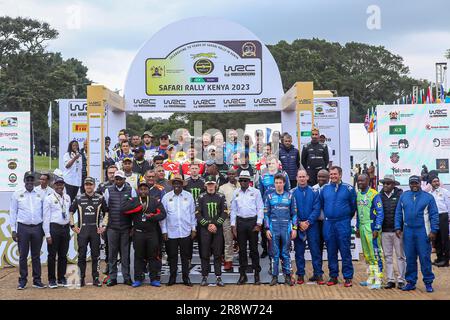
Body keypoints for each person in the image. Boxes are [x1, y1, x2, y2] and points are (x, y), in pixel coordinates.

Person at [395, 175, 439, 292]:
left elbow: (434, 215)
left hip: (423, 232)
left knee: (425, 258)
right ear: (409, 184)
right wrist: (397, 227)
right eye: (412, 183)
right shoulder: (404, 196)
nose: (414, 185)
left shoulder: (428, 197)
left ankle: (428, 283)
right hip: (408, 231)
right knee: (410, 258)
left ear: (420, 183)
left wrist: (434, 230)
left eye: (416, 183)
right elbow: (399, 212)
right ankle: (410, 282)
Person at [319, 166, 356, 287]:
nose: (333, 176)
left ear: (340, 175)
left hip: (343, 223)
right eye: (331, 174)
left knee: (345, 250)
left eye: (335, 174)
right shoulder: (324, 189)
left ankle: (348, 277)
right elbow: (322, 205)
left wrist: (344, 218)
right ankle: (333, 276)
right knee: (331, 251)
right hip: (329, 223)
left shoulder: (349, 189)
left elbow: (353, 207)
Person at [10, 171, 46, 289]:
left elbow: (44, 213)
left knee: (36, 255)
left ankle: (37, 280)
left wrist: (45, 229)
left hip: (37, 228)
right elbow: (13, 212)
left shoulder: (40, 194)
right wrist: (13, 230)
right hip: (23, 228)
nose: (30, 182)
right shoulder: (17, 194)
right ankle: (22, 281)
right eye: (28, 180)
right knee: (23, 255)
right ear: (24, 181)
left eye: (31, 180)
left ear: (34, 181)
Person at [70, 177, 108, 287]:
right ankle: (81, 278)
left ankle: (96, 278)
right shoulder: (78, 198)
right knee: (81, 255)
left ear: (94, 185)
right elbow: (71, 212)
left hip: (95, 231)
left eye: (90, 184)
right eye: (86, 184)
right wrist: (73, 226)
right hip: (83, 231)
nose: (88, 186)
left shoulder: (100, 198)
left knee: (95, 256)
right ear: (84, 186)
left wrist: (103, 226)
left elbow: (107, 213)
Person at [128, 181, 166, 287]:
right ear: (138, 191)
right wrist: (138, 208)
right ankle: (138, 279)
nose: (143, 191)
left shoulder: (154, 201)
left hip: (152, 233)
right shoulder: (134, 201)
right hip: (138, 233)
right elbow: (124, 210)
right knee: (138, 257)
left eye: (145, 189)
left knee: (153, 256)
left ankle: (154, 279)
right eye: (141, 189)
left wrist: (152, 217)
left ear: (148, 190)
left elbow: (163, 214)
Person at [161, 174, 196, 286]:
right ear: (172, 185)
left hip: (185, 231)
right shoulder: (166, 197)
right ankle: (172, 278)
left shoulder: (189, 196)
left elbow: (192, 214)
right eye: (175, 183)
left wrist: (193, 228)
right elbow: (163, 216)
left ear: (182, 185)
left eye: (179, 183)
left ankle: (186, 278)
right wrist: (164, 231)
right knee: (172, 257)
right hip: (171, 232)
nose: (177, 185)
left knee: (185, 257)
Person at [103, 170, 137, 286]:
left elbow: (135, 209)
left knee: (125, 254)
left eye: (120, 179)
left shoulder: (131, 190)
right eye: (116, 179)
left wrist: (133, 226)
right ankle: (112, 278)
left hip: (126, 227)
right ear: (114, 179)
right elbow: (106, 209)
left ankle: (126, 277)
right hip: (112, 227)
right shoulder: (108, 190)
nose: (118, 181)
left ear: (124, 180)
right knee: (112, 254)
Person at [230, 170, 264, 285]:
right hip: (240, 223)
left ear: (249, 181)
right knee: (242, 250)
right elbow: (233, 210)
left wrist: (259, 224)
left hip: (252, 222)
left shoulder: (256, 192)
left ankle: (256, 274)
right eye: (241, 180)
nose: (243, 182)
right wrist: (233, 225)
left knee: (254, 250)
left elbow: (260, 208)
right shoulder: (236, 193)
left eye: (245, 180)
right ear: (239, 181)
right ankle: (242, 274)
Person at [264, 173, 297, 286]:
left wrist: (294, 228)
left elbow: (294, 214)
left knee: (285, 253)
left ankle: (287, 276)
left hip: (286, 228)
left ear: (284, 183)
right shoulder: (269, 197)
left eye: (280, 182)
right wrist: (267, 229)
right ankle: (274, 276)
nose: (278, 185)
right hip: (274, 228)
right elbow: (266, 214)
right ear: (274, 184)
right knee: (275, 253)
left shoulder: (290, 196)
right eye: (276, 183)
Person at [291, 170, 323, 285]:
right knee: (299, 252)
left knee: (315, 251)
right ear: (297, 178)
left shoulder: (314, 192)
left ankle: (318, 274)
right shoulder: (292, 193)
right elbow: (292, 210)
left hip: (312, 226)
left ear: (307, 177)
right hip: (298, 226)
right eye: (300, 177)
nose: (302, 179)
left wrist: (308, 222)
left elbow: (317, 209)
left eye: (304, 176)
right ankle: (300, 275)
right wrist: (299, 223)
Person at [196, 175, 227, 286]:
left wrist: (216, 224)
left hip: (217, 230)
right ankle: (204, 277)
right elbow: (198, 213)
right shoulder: (201, 197)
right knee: (204, 253)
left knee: (218, 254)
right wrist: (208, 225)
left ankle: (218, 277)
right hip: (205, 230)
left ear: (216, 185)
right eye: (208, 184)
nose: (210, 186)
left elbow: (225, 212)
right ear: (205, 185)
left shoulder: (221, 196)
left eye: (212, 184)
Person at [355, 174, 384, 290]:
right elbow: (358, 212)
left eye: (362, 180)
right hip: (362, 226)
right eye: (358, 180)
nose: (360, 182)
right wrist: (357, 227)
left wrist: (377, 228)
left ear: (368, 181)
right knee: (367, 254)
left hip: (371, 227)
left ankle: (379, 279)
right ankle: (371, 277)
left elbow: (380, 212)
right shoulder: (358, 194)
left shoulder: (374, 194)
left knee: (375, 253)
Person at [257, 155, 290, 258]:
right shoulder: (263, 176)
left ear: (277, 164)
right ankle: (265, 249)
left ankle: (280, 251)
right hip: (267, 208)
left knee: (280, 230)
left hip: (281, 207)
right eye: (269, 163)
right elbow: (260, 193)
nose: (270, 165)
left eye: (272, 163)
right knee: (265, 230)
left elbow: (288, 190)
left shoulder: (284, 175)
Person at [43, 175, 71, 288]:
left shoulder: (67, 197)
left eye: (61, 184)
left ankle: (61, 278)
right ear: (54, 185)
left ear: (63, 185)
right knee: (52, 255)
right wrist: (47, 234)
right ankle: (51, 280)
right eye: (58, 184)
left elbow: (69, 213)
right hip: (54, 228)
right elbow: (45, 217)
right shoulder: (49, 198)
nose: (60, 186)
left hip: (65, 229)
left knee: (63, 255)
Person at [379, 174, 406, 289]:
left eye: (388, 183)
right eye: (384, 183)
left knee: (400, 256)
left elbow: (403, 213)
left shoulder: (401, 195)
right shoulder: (379, 196)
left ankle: (401, 279)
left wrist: (399, 227)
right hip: (384, 230)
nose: (385, 185)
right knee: (387, 256)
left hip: (398, 231)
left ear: (394, 184)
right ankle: (390, 280)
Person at [96, 164, 118, 276]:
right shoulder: (101, 186)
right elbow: (96, 203)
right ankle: (109, 265)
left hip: (121, 219)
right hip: (106, 220)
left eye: (114, 172)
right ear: (107, 174)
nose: (112, 175)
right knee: (108, 245)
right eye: (110, 172)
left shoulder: (124, 184)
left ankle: (122, 266)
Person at [218, 168, 240, 272]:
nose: (232, 175)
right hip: (227, 216)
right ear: (227, 175)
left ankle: (242, 257)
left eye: (233, 174)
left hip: (241, 216)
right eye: (230, 174)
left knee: (242, 239)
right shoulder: (222, 188)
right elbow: (220, 203)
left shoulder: (243, 185)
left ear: (237, 174)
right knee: (228, 239)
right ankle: (228, 260)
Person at [429, 176, 450, 267]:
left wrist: (449, 216)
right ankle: (439, 258)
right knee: (436, 238)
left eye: (437, 181)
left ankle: (446, 260)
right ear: (430, 183)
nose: (436, 183)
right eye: (434, 181)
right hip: (434, 217)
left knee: (444, 239)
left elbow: (448, 204)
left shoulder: (445, 192)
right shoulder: (429, 194)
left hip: (443, 216)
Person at [312, 169, 329, 262]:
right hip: (316, 223)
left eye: (323, 177)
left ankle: (332, 274)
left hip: (328, 223)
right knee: (317, 249)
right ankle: (318, 273)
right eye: (319, 176)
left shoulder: (332, 188)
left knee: (331, 248)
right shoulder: (313, 189)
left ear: (328, 178)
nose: (321, 178)